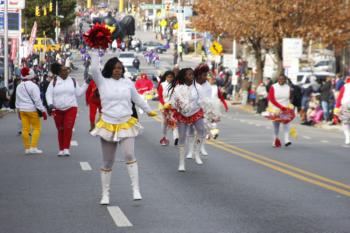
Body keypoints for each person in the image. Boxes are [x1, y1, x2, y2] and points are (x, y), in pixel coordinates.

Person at [90, 52, 157, 204]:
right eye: (115, 68)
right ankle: (105, 194)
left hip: (126, 122)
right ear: (109, 69)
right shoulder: (102, 81)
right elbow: (94, 69)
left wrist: (147, 110)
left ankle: (136, 189)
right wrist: (95, 50)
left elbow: (137, 98)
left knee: (129, 154)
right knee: (108, 161)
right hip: (108, 123)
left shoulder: (127, 83)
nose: (118, 70)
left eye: (120, 68)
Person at [46, 63, 88, 157]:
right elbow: (48, 94)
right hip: (57, 109)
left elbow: (79, 93)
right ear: (58, 72)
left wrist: (86, 83)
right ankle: (61, 149)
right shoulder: (54, 82)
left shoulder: (72, 81)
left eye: (67, 70)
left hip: (71, 107)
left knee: (68, 127)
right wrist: (50, 104)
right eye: (63, 71)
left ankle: (66, 148)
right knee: (60, 129)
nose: (66, 72)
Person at [169, 68, 206, 171]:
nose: (192, 76)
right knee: (182, 137)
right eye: (189, 74)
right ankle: (181, 163)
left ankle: (197, 153)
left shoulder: (198, 87)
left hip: (195, 112)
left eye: (192, 74)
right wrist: (179, 106)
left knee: (201, 131)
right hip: (183, 114)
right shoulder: (178, 88)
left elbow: (202, 100)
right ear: (184, 76)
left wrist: (196, 106)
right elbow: (173, 102)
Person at [15, 67, 47, 154]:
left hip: (22, 110)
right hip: (32, 110)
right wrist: (43, 110)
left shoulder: (19, 86)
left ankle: (27, 148)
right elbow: (37, 100)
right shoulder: (34, 86)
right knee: (36, 128)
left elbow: (17, 100)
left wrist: (18, 110)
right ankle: (33, 147)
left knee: (25, 129)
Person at [266, 75, 295, 147]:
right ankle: (275, 140)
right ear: (277, 79)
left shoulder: (288, 87)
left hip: (285, 108)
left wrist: (289, 106)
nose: (281, 80)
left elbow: (290, 98)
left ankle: (286, 140)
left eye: (283, 79)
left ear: (285, 80)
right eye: (280, 79)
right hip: (275, 108)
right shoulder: (273, 87)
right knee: (276, 126)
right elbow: (271, 99)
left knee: (286, 123)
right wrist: (280, 107)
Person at [157, 70, 178, 146]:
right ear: (166, 77)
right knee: (164, 122)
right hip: (164, 106)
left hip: (173, 106)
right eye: (168, 77)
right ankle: (164, 137)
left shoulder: (176, 85)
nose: (170, 78)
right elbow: (160, 97)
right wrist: (165, 104)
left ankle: (176, 137)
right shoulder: (162, 85)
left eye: (171, 77)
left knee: (174, 121)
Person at [334, 76, 350, 145]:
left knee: (345, 122)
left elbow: (339, 98)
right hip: (346, 104)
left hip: (346, 104)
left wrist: (337, 108)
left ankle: (347, 137)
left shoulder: (345, 86)